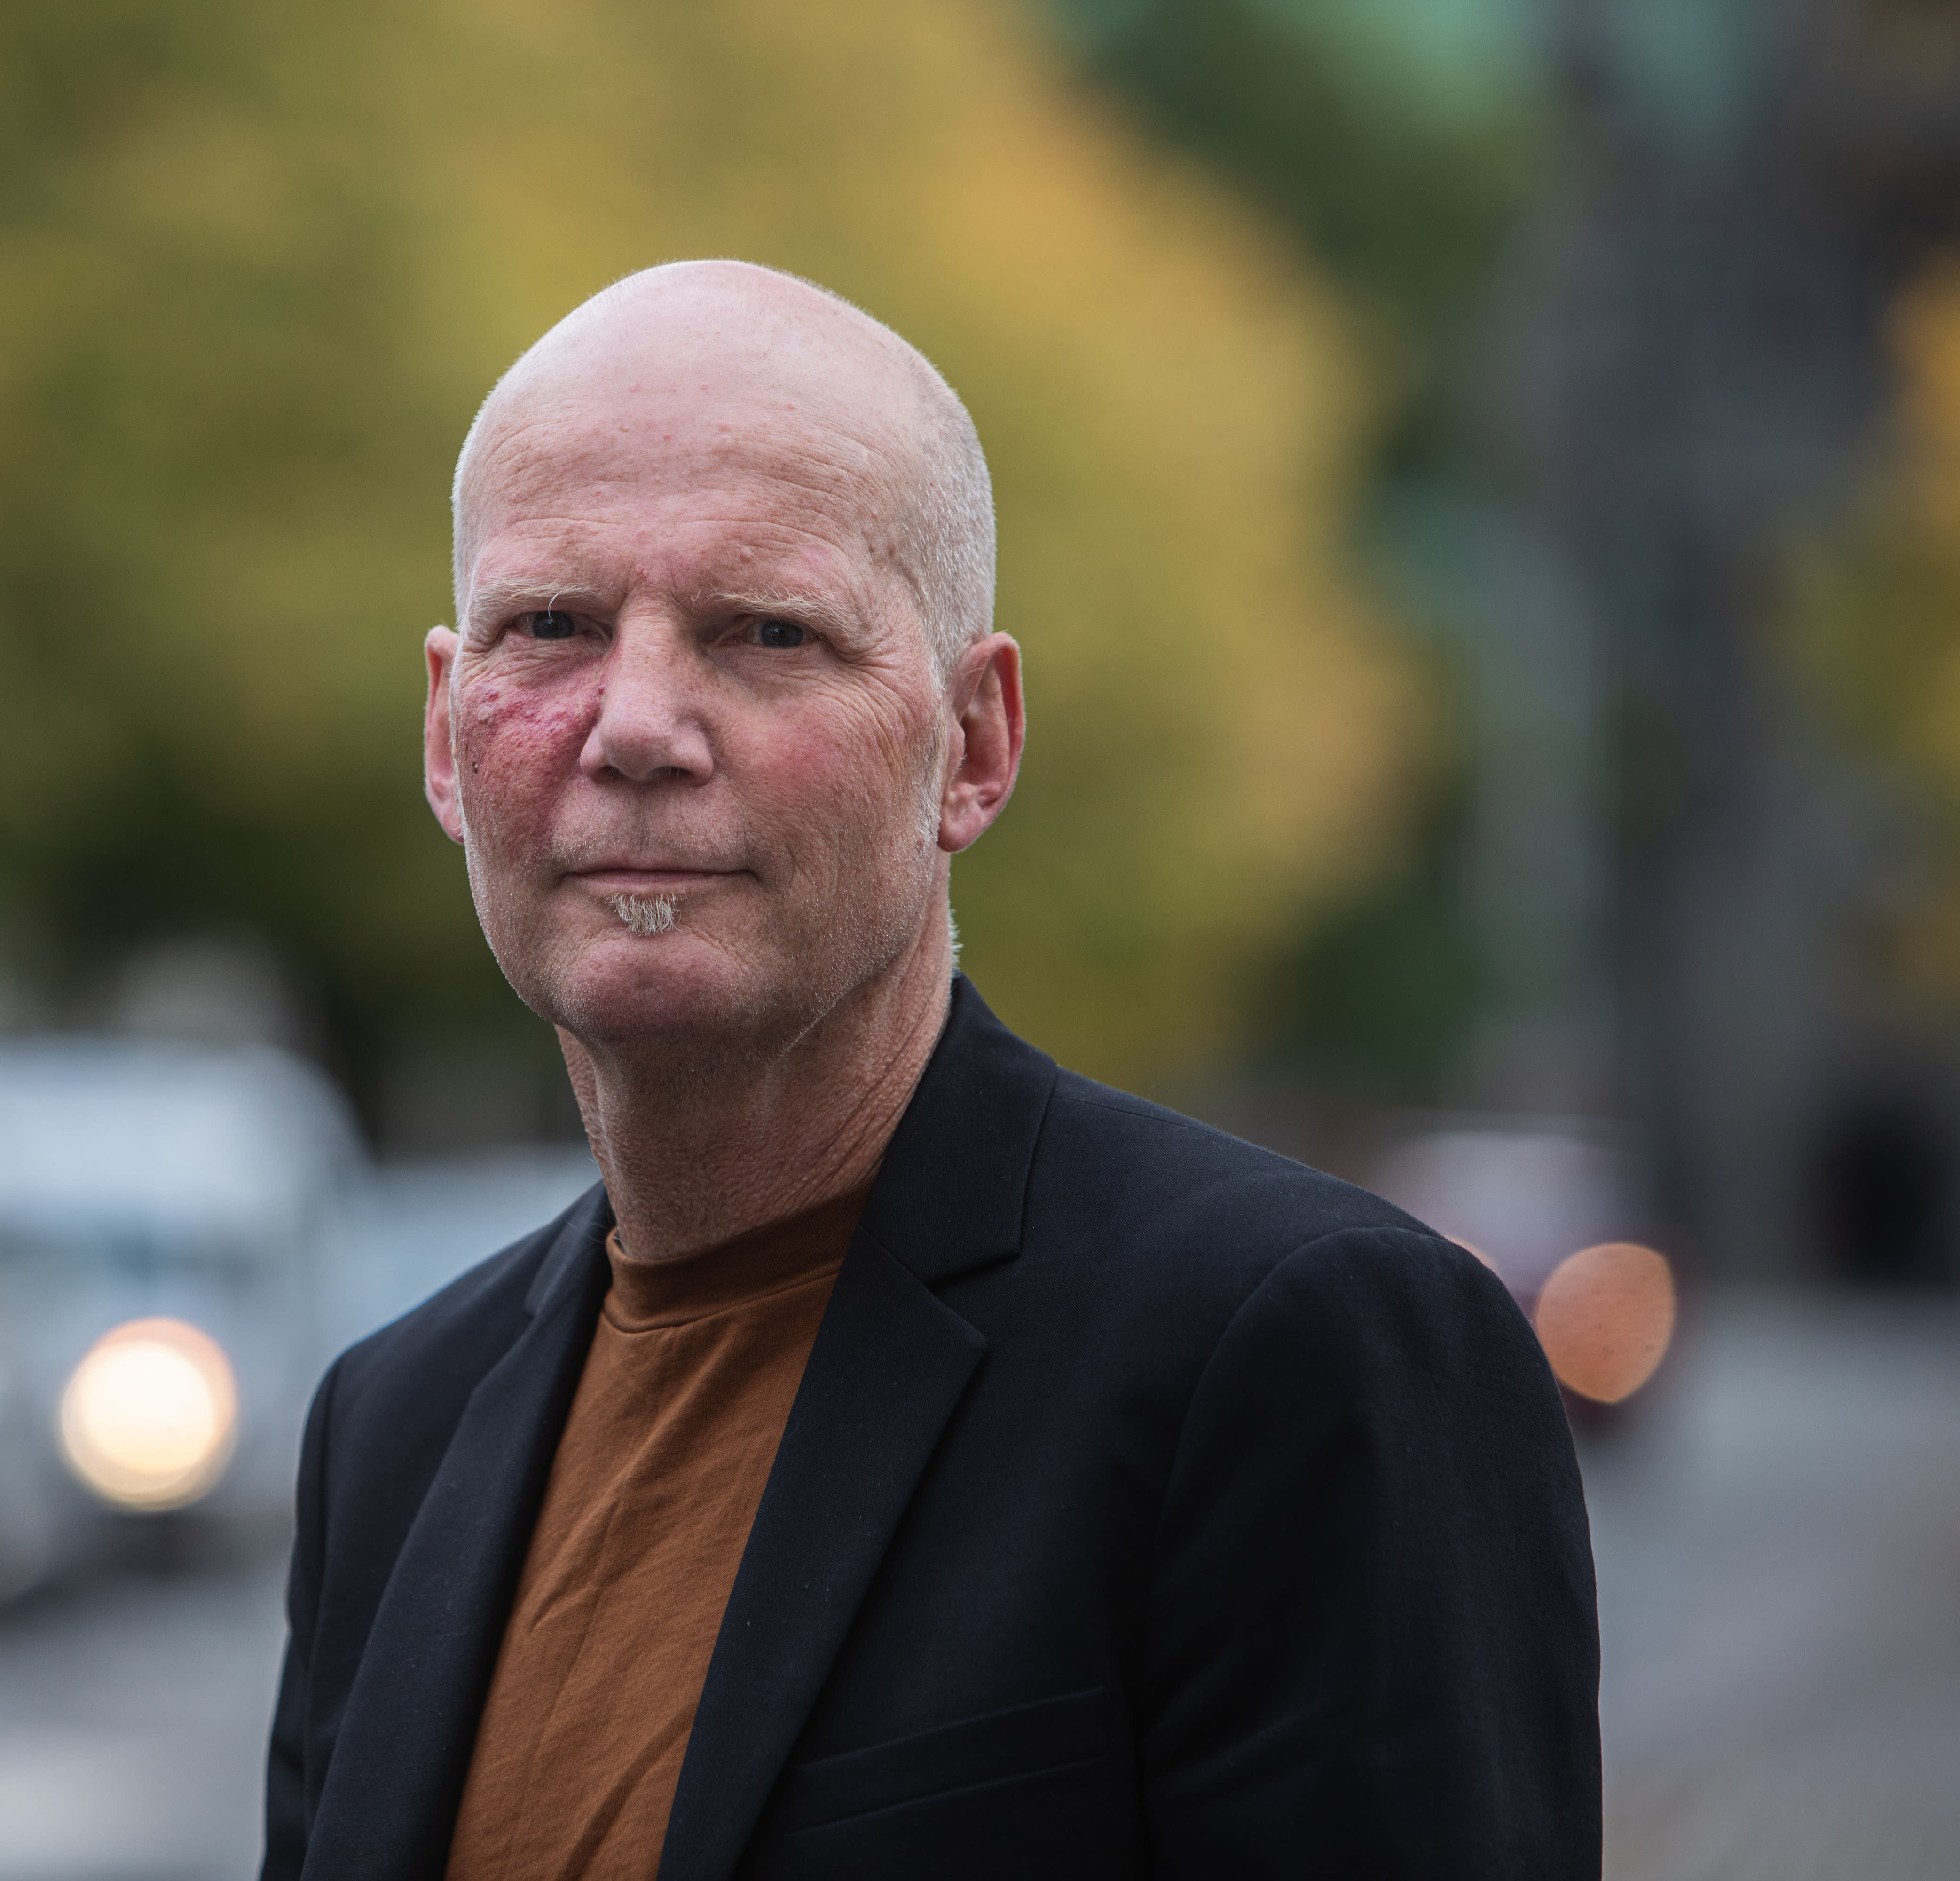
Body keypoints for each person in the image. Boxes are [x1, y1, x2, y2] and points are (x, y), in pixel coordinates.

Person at [260, 261, 1598, 1881]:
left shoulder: (1295, 1354)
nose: (637, 725)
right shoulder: (389, 1430)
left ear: (974, 743)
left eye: (768, 632)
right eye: (551, 626)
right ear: (445, 736)